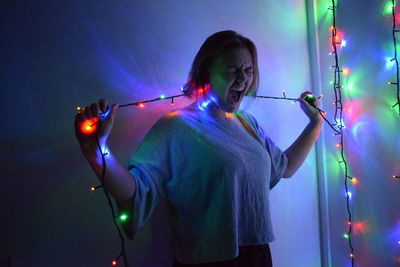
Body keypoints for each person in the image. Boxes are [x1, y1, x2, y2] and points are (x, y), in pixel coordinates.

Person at [74, 30, 322, 267]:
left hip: (258, 256)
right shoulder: (176, 127)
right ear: (206, 72)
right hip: (209, 262)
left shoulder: (248, 124)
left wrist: (315, 124)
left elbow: (285, 167)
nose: (243, 79)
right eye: (232, 70)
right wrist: (96, 151)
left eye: (248, 70)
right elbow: (135, 191)